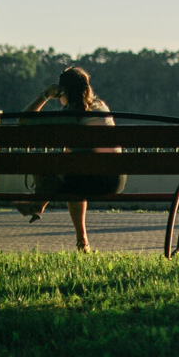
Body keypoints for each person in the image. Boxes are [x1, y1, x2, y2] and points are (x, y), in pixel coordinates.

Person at [14, 67, 125, 253]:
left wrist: (45, 95)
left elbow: (23, 119)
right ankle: (41, 206)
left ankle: (39, 202)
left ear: (63, 91)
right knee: (71, 167)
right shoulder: (100, 107)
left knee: (56, 170)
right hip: (116, 179)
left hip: (92, 179)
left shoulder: (69, 116)